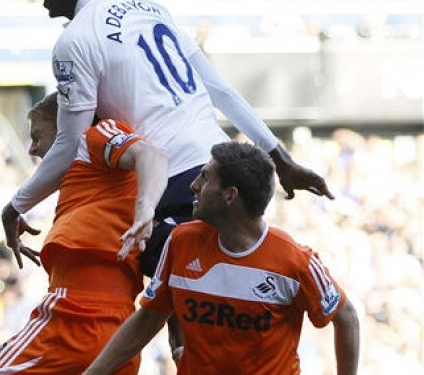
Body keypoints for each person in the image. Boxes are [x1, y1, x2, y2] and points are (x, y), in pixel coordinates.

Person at [2, 0, 334, 270]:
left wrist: (16, 206)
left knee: (138, 263)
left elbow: (70, 143)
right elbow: (220, 90)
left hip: (176, 179)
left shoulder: (75, 39)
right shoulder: (152, 9)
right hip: (223, 164)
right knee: (210, 291)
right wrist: (281, 159)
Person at [84, 141, 360, 375]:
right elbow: (149, 318)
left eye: (204, 177)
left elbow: (346, 317)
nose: (193, 185)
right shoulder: (180, 241)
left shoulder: (295, 261)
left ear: (230, 195)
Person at [0, 93, 168, 374]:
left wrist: (146, 208)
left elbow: (150, 155)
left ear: (66, 125)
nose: (32, 149)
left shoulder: (94, 136)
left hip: (72, 313)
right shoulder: (84, 177)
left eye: (37, 136)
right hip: (118, 324)